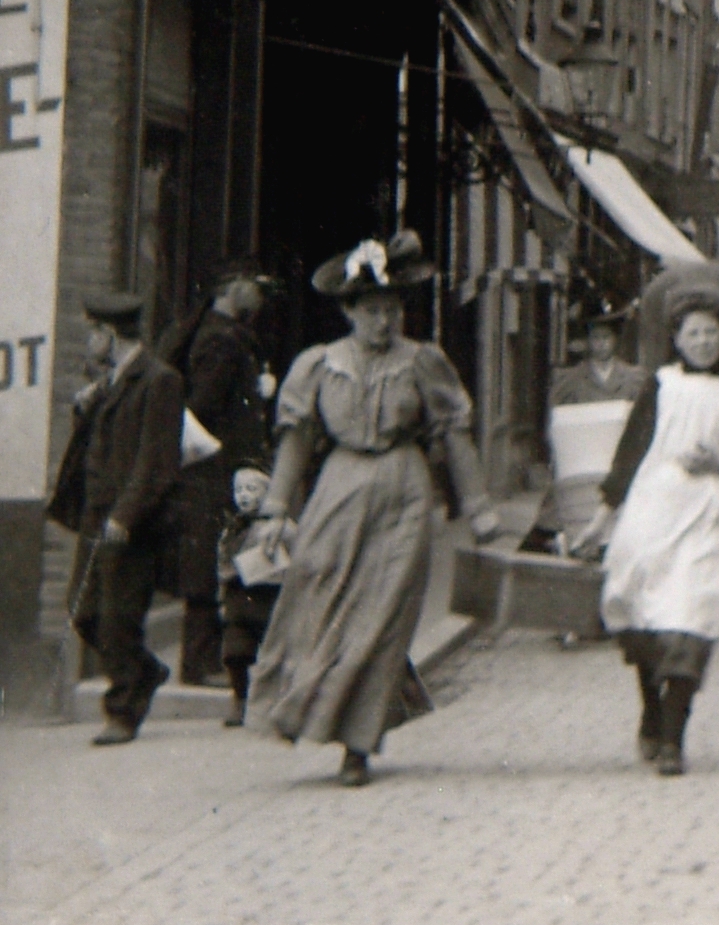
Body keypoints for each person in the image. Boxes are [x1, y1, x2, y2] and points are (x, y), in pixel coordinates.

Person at [247, 231, 503, 787]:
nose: (384, 322)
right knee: (317, 595)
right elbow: (296, 440)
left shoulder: (422, 362)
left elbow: (453, 434)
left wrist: (479, 507)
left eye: (392, 311)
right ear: (348, 312)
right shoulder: (319, 365)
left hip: (404, 491)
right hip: (338, 490)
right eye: (371, 311)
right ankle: (301, 709)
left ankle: (357, 747)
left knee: (382, 619)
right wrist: (274, 510)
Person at [580, 287, 719, 775]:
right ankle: (652, 711)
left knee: (692, 616)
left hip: (712, 514)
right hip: (653, 509)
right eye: (693, 333)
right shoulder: (660, 385)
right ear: (676, 339)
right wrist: (601, 518)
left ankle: (674, 737)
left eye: (711, 332)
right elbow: (630, 451)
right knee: (642, 612)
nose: (703, 342)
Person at [52, 293, 183, 746]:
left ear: (109, 334)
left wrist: (127, 515)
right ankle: (145, 670)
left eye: (93, 332)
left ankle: (124, 710)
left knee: (117, 619)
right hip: (97, 515)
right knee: (83, 611)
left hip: (129, 521)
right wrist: (86, 407)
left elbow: (156, 460)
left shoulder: (159, 380)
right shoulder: (111, 382)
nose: (89, 341)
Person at [159, 262, 275, 687]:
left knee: (219, 561)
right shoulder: (221, 340)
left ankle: (216, 659)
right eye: (255, 287)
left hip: (221, 468)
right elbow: (202, 408)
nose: (260, 298)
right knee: (209, 566)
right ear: (231, 288)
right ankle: (201, 663)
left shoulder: (224, 334)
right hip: (215, 470)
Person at [521, 305, 646, 558]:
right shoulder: (569, 380)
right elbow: (557, 424)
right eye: (595, 338)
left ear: (616, 341)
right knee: (564, 516)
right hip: (580, 464)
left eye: (606, 337)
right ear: (587, 342)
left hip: (620, 459)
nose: (601, 344)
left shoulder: (635, 378)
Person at [216, 465, 283, 726]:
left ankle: (276, 702)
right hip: (238, 600)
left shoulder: (277, 527)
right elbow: (222, 563)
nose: (243, 495)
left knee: (274, 654)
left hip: (267, 598)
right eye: (238, 490)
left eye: (251, 489)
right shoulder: (231, 529)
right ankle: (240, 697)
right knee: (235, 652)